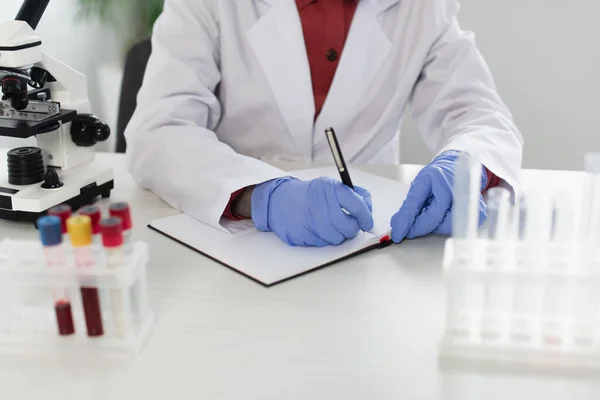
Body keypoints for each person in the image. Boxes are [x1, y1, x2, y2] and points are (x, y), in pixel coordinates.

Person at [125, 0, 523, 247]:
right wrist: (260, 195)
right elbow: (160, 129)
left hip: (367, 246)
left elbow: (478, 113)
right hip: (237, 241)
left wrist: (467, 164)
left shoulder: (423, 7)